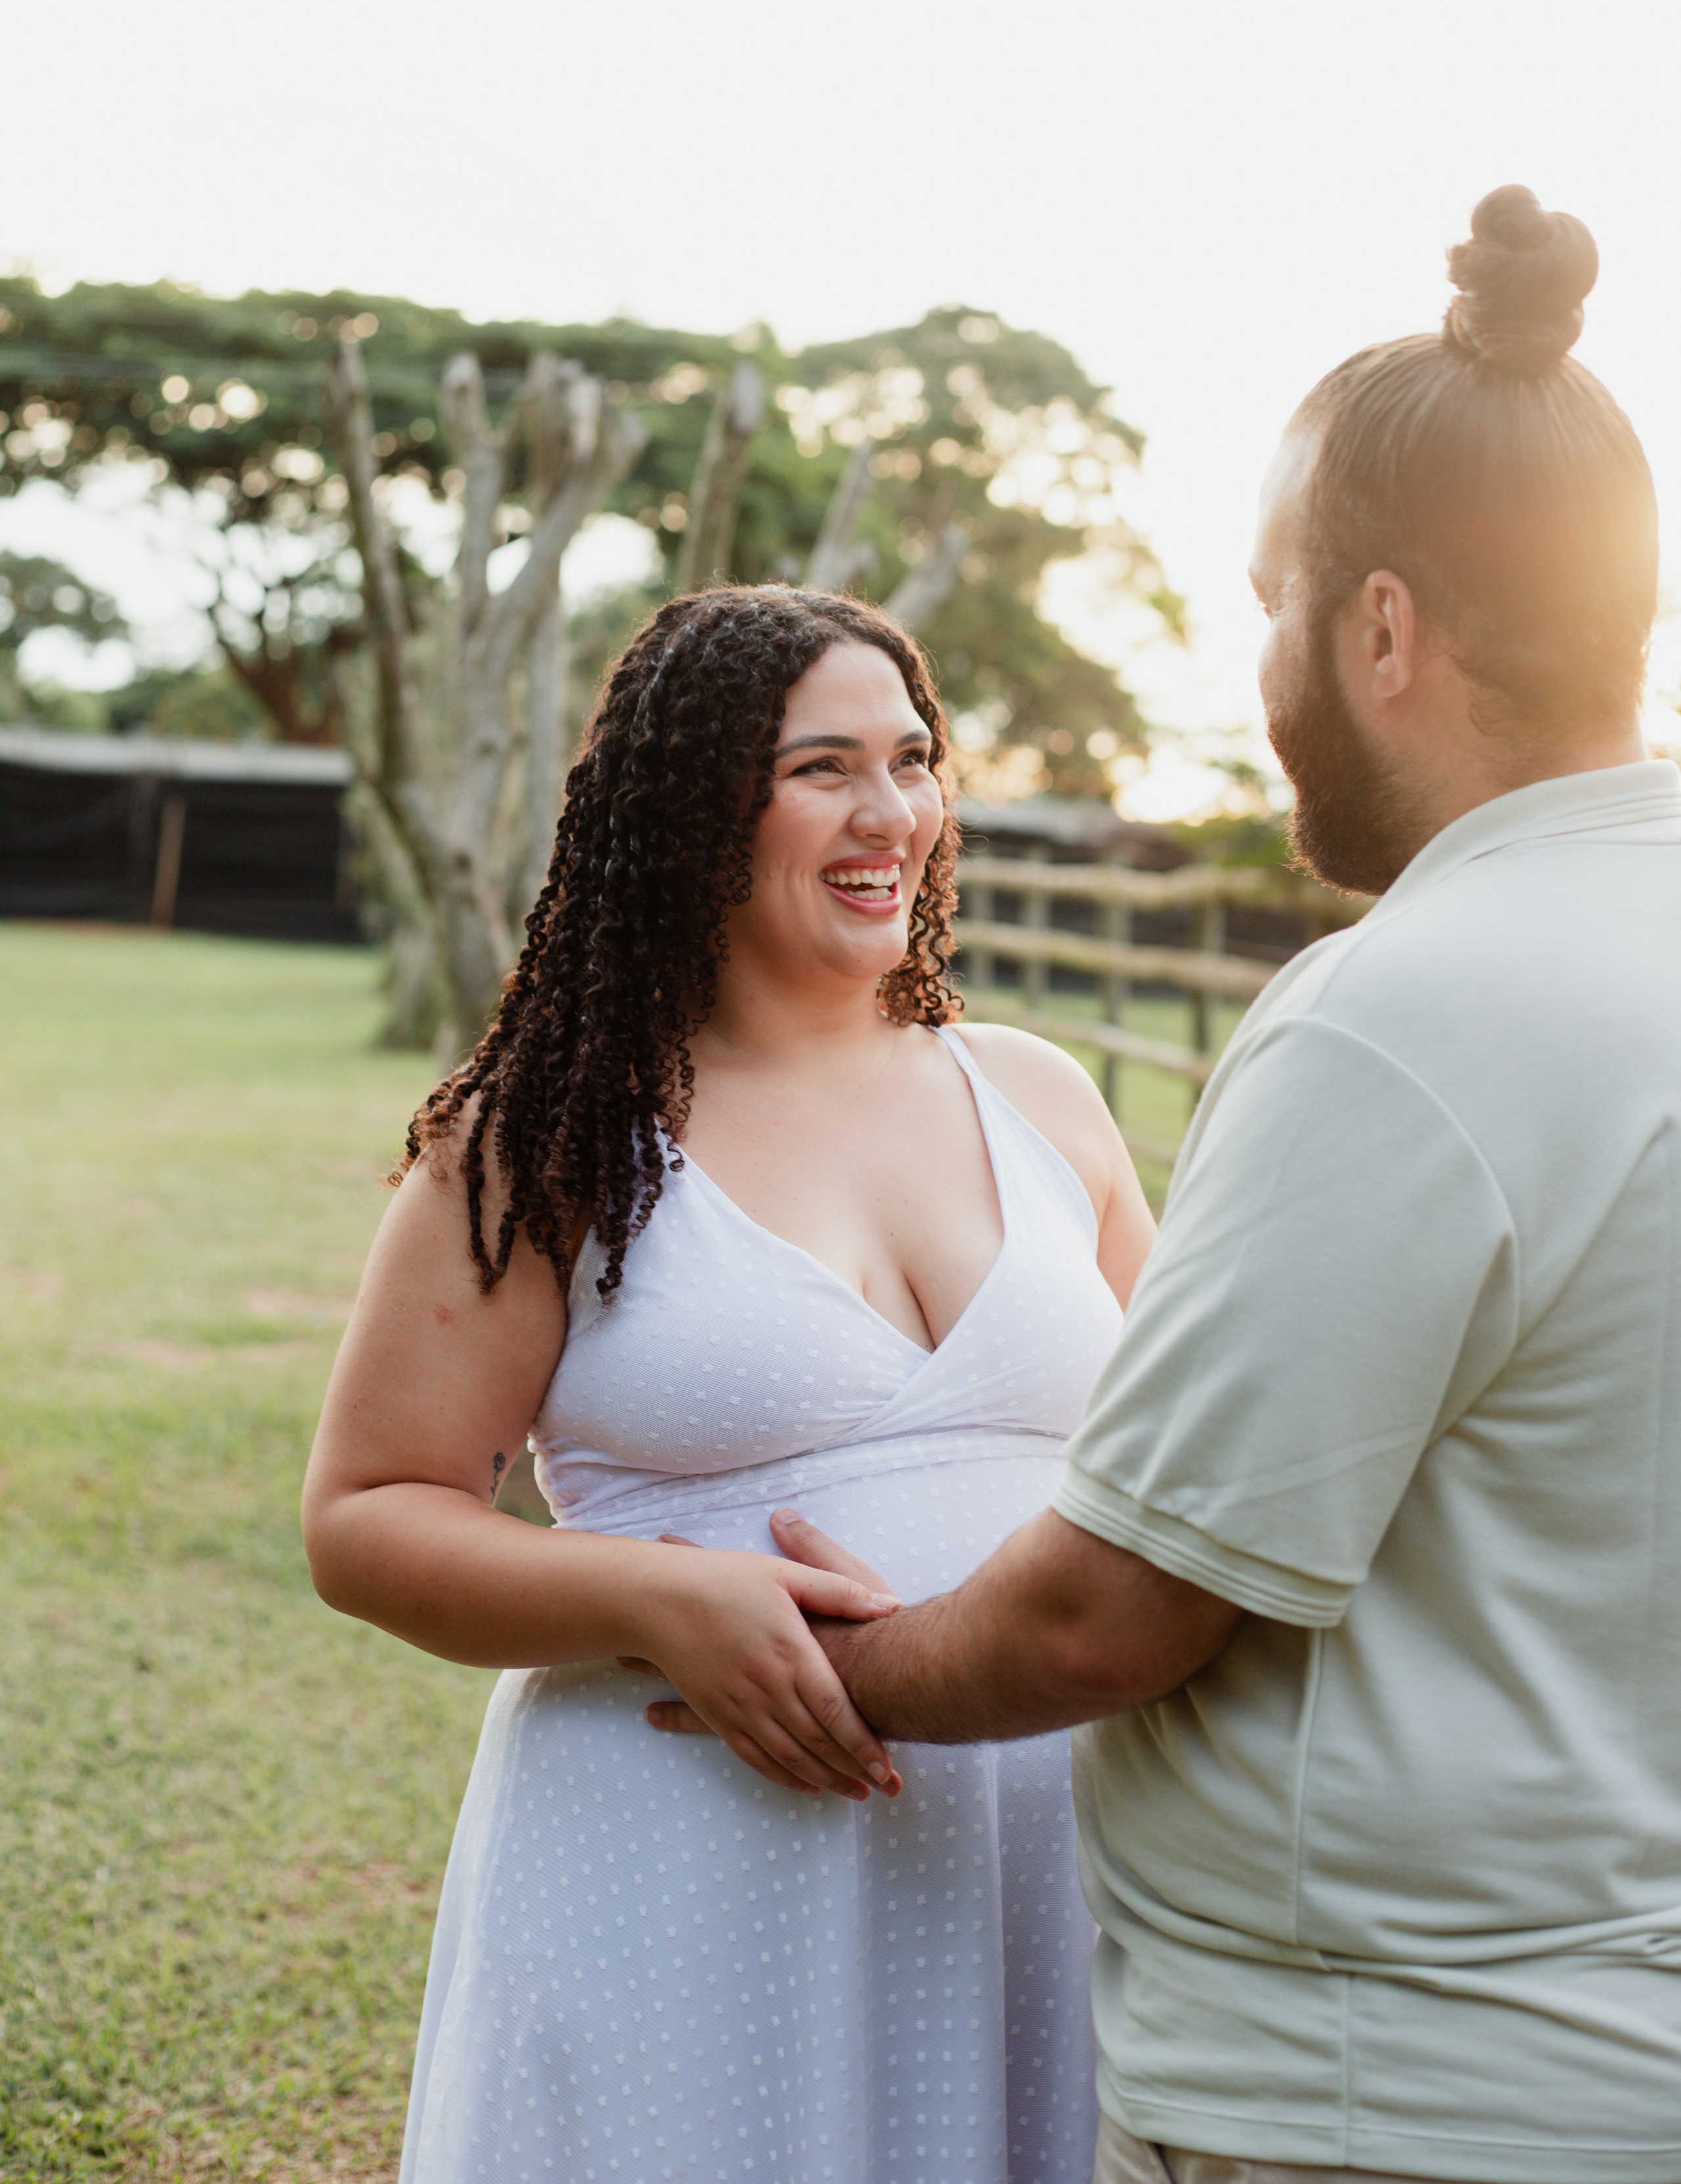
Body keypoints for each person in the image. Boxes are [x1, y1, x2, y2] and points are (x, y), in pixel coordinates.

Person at [685, 188, 1680, 2184]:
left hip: (1390, 2097)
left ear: (1379, 627)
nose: (1264, 667)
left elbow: (1109, 1616)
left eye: (1267, 599)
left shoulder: (1403, 1020)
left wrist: (780, 1665)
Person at [301, 585, 1156, 2184]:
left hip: (1047, 1852)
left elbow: (1183, 1462)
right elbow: (364, 1516)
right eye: (822, 767)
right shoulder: (544, 1135)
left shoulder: (1041, 1098)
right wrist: (660, 1598)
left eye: (911, 759)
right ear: (695, 803)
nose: (889, 810)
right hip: (694, 1860)